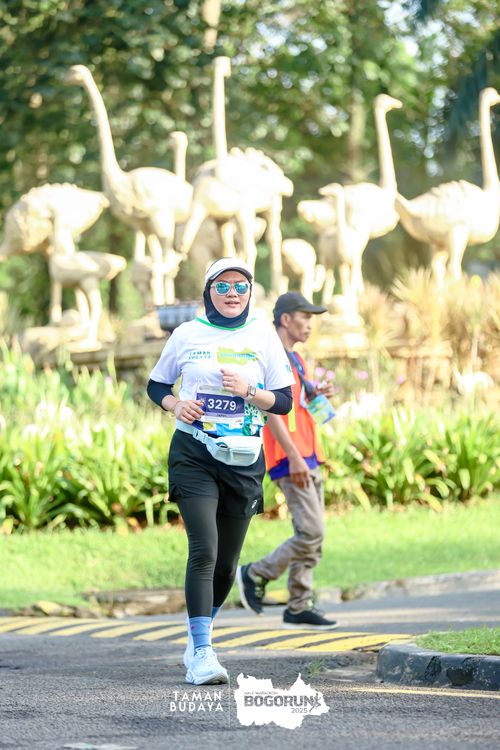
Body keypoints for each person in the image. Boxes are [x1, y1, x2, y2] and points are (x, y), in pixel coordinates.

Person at [146, 258, 294, 685]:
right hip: (194, 453)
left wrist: (250, 391)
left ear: (250, 292)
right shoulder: (186, 334)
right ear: (209, 290)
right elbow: (157, 385)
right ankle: (202, 653)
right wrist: (176, 404)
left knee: (227, 563)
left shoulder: (262, 335)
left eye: (241, 286)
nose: (232, 293)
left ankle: (200, 636)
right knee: (204, 550)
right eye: (223, 285)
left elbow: (284, 401)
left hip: (243, 459)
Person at [237, 291, 337, 629]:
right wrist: (294, 457)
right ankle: (255, 573)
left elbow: (296, 404)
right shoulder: (270, 358)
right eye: (305, 317)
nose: (309, 325)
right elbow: (271, 411)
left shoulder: (295, 359)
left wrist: (314, 393)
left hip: (308, 454)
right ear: (285, 319)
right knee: (311, 532)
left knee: (312, 535)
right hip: (290, 456)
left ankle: (298, 605)